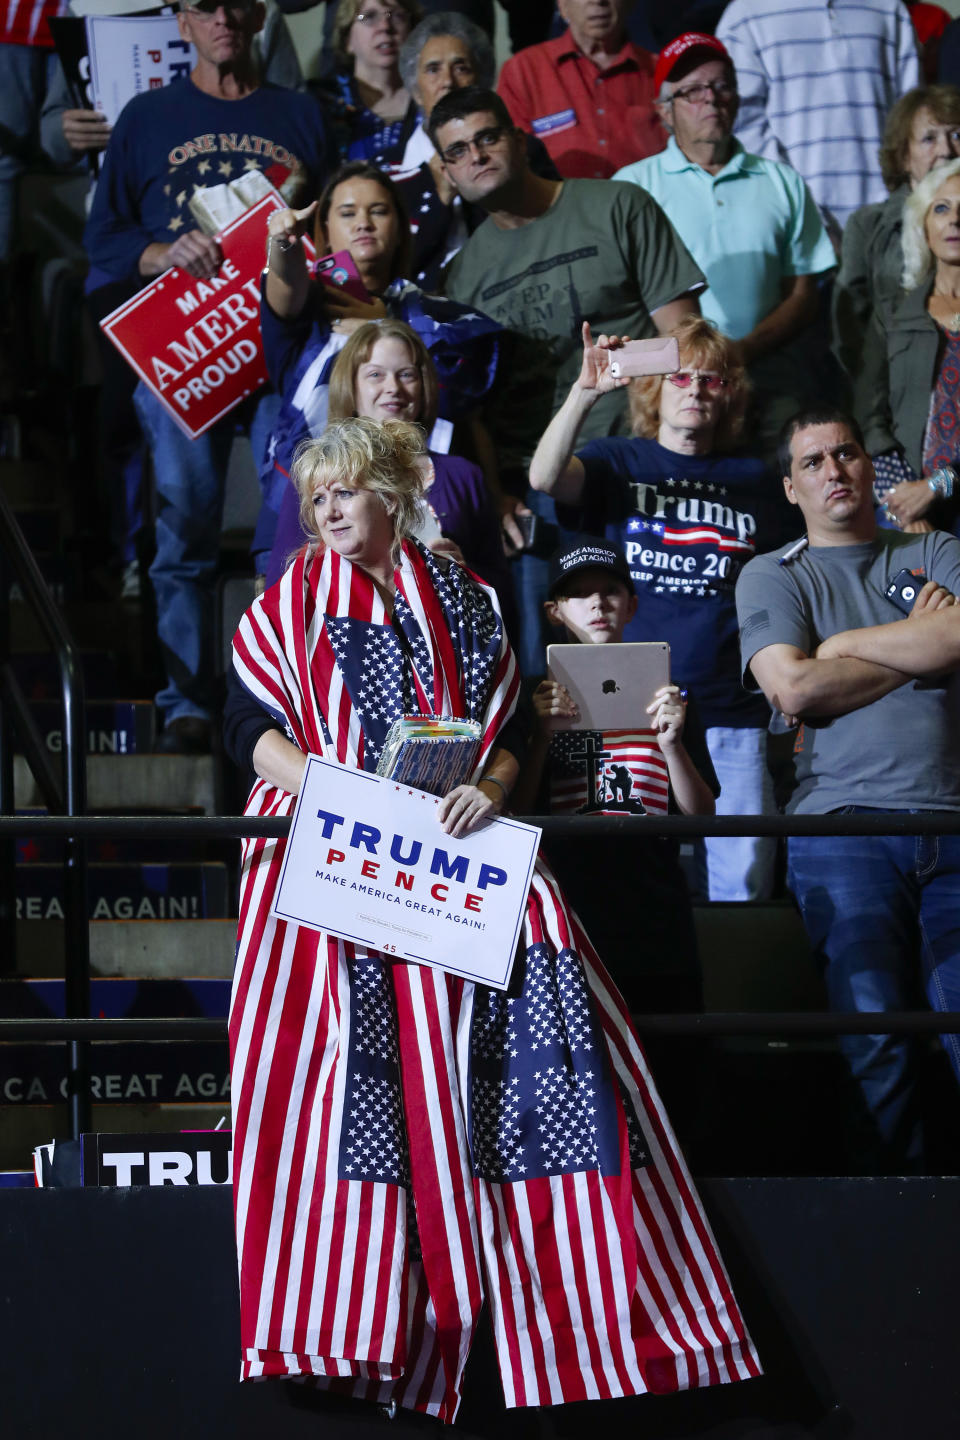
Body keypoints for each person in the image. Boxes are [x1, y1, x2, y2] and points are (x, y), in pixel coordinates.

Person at [226, 414, 759, 1417]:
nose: (328, 512)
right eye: (315, 500)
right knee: (347, 1070)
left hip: (453, 846)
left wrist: (496, 786)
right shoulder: (288, 599)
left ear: (389, 489)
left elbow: (513, 727)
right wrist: (333, 789)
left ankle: (569, 1313)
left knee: (554, 1004)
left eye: (344, 492)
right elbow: (249, 726)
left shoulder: (465, 601)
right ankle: (352, 1318)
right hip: (334, 850)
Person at [82, 0, 331, 753]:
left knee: (295, 526)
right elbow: (105, 242)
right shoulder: (146, 117)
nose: (223, 16)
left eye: (236, 3)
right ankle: (186, 699)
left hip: (278, 350)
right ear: (180, 23)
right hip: (182, 355)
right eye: (204, 5)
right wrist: (160, 255)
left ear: (258, 16)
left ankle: (289, 697)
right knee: (183, 527)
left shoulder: (300, 113)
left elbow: (331, 222)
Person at [735, 406, 960, 1170]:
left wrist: (844, 647)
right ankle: (899, 1222)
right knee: (876, 1042)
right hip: (843, 832)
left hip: (953, 824)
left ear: (871, 468)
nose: (834, 470)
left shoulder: (934, 547)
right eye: (813, 462)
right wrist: (923, 648)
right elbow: (793, 691)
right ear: (792, 487)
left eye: (848, 453)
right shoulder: (773, 572)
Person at [432, 84, 705, 671]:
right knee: (552, 674)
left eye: (487, 137)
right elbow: (472, 406)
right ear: (448, 172)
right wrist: (498, 492)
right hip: (540, 491)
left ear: (518, 138)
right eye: (457, 151)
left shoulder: (616, 206)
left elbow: (686, 343)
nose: (475, 155)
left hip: (643, 468)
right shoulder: (462, 277)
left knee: (671, 658)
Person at [529, 316, 795, 902]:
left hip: (728, 704)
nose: (696, 388)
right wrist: (586, 391)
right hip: (626, 710)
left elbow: (789, 586)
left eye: (713, 379)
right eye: (680, 376)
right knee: (625, 879)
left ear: (731, 394)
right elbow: (544, 476)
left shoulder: (756, 478)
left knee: (742, 888)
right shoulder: (619, 461)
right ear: (654, 387)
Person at [511, 535, 718, 1125]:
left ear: (630, 604)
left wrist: (672, 744)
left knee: (672, 1081)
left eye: (608, 592)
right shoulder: (533, 696)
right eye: (579, 596)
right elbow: (515, 816)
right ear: (556, 612)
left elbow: (702, 817)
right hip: (566, 912)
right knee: (581, 1089)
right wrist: (544, 736)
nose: (596, 604)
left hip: (654, 911)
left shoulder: (672, 696)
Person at [254, 159, 501, 577]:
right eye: (347, 213)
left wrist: (384, 318)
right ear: (324, 231)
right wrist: (285, 243)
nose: (364, 223)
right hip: (302, 522)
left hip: (416, 515)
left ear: (401, 226)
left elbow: (466, 401)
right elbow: (285, 289)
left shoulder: (437, 319)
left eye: (379, 211)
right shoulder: (307, 315)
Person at [614, 31, 836, 460]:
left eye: (721, 86)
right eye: (692, 91)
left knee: (783, 485)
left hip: (766, 368)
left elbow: (803, 294)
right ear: (665, 111)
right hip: (669, 381)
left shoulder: (781, 181)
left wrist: (741, 351)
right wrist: (697, 362)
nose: (711, 99)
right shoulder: (632, 186)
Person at [265, 317, 512, 607]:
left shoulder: (463, 475)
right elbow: (282, 590)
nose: (393, 387)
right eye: (375, 375)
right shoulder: (317, 477)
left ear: (424, 386)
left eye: (406, 374)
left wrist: (464, 572)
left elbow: (501, 589)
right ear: (351, 387)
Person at [716, 0, 921, 234]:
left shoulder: (889, 7)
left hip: (890, 223)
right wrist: (804, 213)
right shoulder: (745, 14)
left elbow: (913, 119)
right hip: (793, 227)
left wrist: (900, 205)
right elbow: (743, 128)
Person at [392, 12, 560, 290]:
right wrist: (440, 201)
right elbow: (389, 268)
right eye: (433, 69)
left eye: (461, 67)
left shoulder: (522, 149)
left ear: (481, 81)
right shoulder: (389, 170)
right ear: (415, 89)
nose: (448, 81)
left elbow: (552, 228)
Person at [833, 84, 960, 444]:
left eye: (956, 134)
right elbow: (849, 329)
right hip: (890, 396)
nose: (946, 150)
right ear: (904, 156)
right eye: (929, 139)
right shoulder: (870, 225)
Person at [860, 158, 960, 533]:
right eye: (941, 208)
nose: (954, 219)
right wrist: (902, 501)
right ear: (924, 224)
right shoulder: (894, 314)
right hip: (903, 504)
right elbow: (870, 417)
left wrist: (937, 486)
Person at [495, 0, 664, 179]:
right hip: (556, 205)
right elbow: (511, 160)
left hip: (644, 202)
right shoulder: (523, 70)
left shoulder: (662, 73)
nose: (598, 2)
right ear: (562, 6)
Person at [316, 0, 422, 165]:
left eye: (396, 16)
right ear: (347, 40)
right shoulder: (321, 103)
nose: (385, 26)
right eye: (369, 17)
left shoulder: (433, 98)